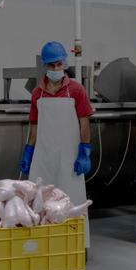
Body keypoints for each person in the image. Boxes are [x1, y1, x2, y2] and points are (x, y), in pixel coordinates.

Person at [19, 41, 95, 247]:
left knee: (74, 200)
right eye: (51, 66)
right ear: (45, 67)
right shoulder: (37, 93)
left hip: (69, 159)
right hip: (43, 158)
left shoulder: (76, 90)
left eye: (59, 65)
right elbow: (34, 125)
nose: (55, 69)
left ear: (65, 64)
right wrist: (29, 151)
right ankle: (41, 245)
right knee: (39, 201)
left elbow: (84, 122)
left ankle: (77, 246)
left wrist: (84, 151)